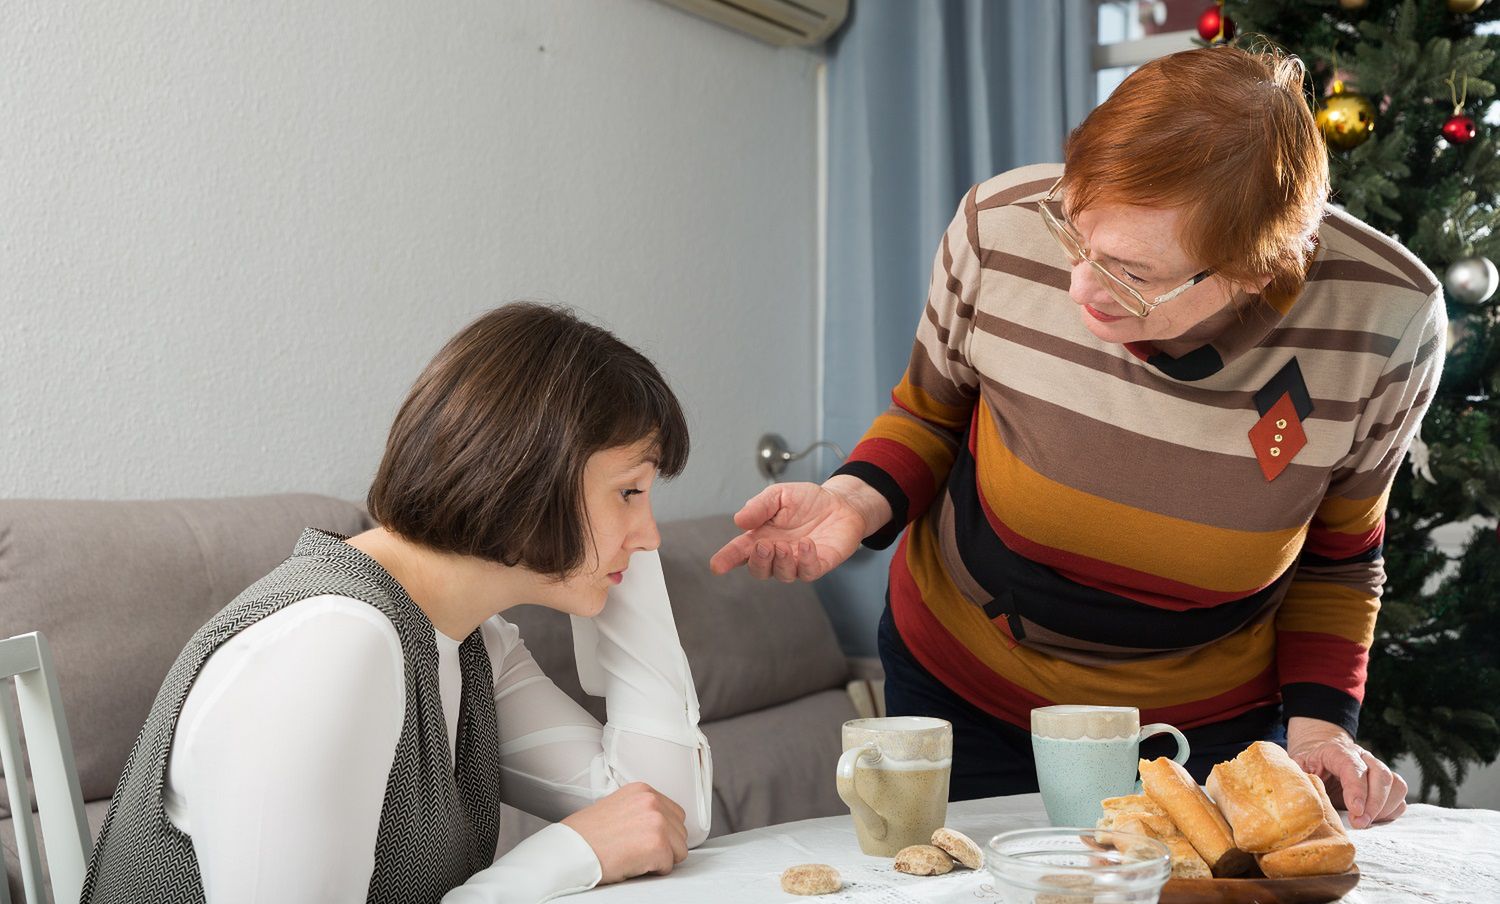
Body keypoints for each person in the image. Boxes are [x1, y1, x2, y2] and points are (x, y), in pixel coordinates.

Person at [712, 46, 1439, 830]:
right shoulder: (1001, 225)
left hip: (1202, 727)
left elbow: (1340, 554)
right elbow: (929, 413)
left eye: (1132, 272)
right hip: (965, 683)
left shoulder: (1388, 319)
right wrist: (851, 503)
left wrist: (1323, 730)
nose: (1080, 286)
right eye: (1076, 232)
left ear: (1255, 272)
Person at [84, 303, 712, 903]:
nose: (652, 534)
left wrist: (624, 559)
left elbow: (661, 814)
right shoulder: (331, 644)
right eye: (630, 491)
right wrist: (562, 856)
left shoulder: (471, 643)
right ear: (525, 473)